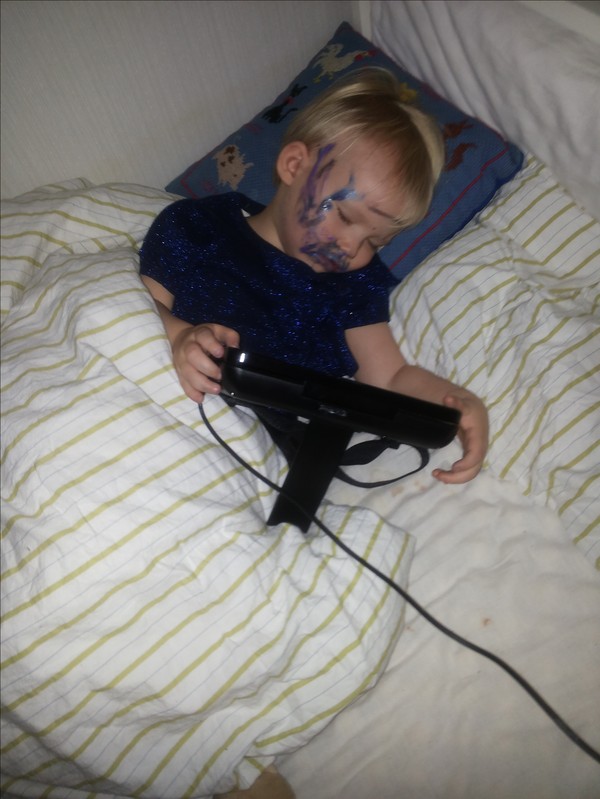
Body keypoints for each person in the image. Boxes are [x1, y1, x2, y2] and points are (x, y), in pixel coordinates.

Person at [139, 67, 488, 484]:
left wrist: (456, 402)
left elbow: (390, 376)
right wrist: (179, 335)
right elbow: (137, 307)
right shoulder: (197, 228)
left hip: (255, 464)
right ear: (294, 165)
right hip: (164, 413)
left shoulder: (354, 284)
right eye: (346, 216)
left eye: (376, 241)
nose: (352, 247)